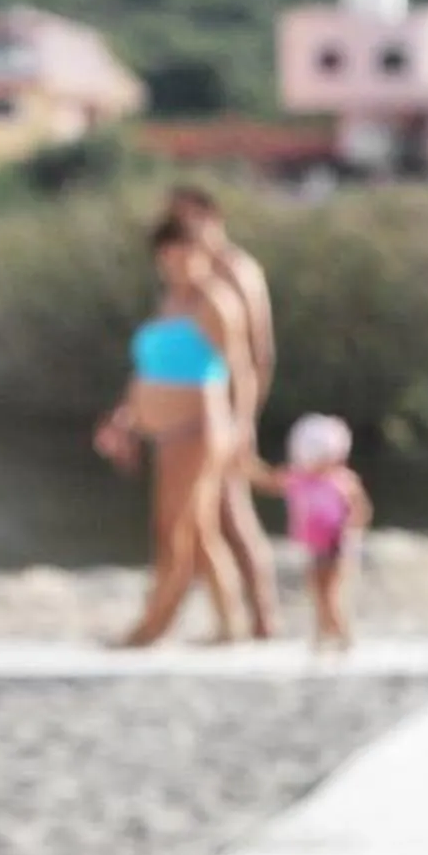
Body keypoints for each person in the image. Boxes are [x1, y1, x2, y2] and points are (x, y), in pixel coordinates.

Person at [96, 219, 257, 647]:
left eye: (184, 252)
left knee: (172, 529)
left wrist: (243, 426)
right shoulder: (169, 301)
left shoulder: (215, 302)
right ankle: (230, 623)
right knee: (200, 531)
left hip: (198, 429)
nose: (176, 263)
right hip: (163, 431)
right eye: (167, 254)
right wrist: (123, 418)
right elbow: (149, 371)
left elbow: (239, 369)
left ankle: (152, 625)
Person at [164, 186, 281, 640]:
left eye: (189, 218)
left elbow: (256, 354)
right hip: (196, 409)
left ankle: (263, 618)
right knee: (209, 516)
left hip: (227, 409)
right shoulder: (193, 275)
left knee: (233, 511)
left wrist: (245, 418)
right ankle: (237, 618)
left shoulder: (237, 270)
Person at [252, 414, 372, 653]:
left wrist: (350, 534)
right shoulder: (299, 479)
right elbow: (267, 480)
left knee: (331, 591)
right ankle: (323, 635)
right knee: (317, 589)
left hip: (337, 544)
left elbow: (361, 510)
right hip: (315, 545)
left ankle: (341, 635)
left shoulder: (342, 481)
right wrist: (244, 461)